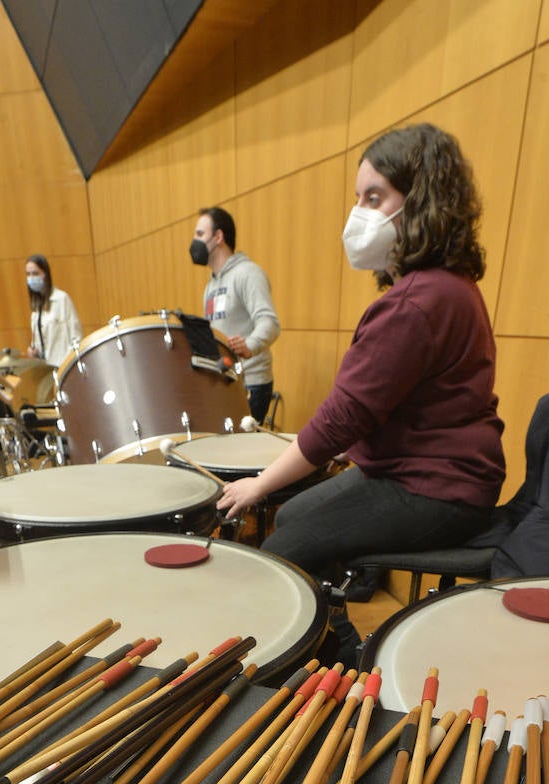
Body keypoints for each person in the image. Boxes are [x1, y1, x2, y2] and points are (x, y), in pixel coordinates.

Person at [216, 124, 505, 654]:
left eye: (375, 197)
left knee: (284, 548)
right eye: (359, 198)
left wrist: (257, 483)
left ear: (421, 202)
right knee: (295, 514)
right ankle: (339, 630)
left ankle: (343, 664)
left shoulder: (416, 302)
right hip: (436, 474)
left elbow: (342, 418)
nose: (360, 213)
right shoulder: (446, 286)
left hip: (437, 488)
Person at [190, 207, 280, 426]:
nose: (194, 241)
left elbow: (270, 322)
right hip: (227, 381)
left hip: (252, 384)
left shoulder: (247, 273)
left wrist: (250, 344)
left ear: (218, 237)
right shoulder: (211, 285)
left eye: (200, 234)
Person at [24, 255, 82, 368]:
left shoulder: (62, 299)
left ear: (45, 274)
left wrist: (67, 366)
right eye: (28, 274)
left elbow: (76, 339)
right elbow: (40, 341)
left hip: (63, 368)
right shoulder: (36, 308)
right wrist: (33, 350)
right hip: (45, 371)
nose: (31, 278)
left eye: (35, 273)